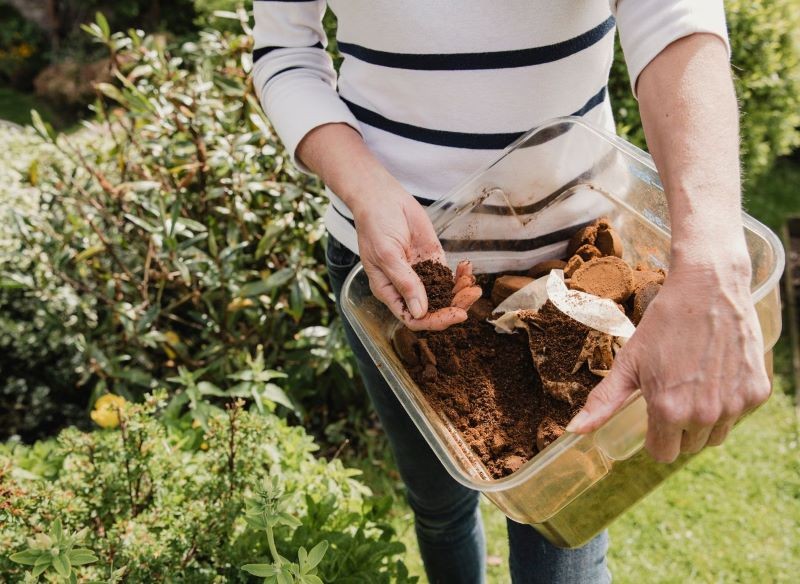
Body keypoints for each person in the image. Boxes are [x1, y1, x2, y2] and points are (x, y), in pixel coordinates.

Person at [252, 1, 771, 582]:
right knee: (441, 506)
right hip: (395, 276)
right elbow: (285, 49)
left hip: (576, 273)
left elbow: (673, 16)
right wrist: (366, 188)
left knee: (563, 545)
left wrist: (710, 269)